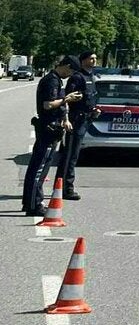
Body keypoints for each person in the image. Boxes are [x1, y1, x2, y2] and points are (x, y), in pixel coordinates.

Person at [22, 57, 83, 216]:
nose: (69, 76)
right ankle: (34, 204)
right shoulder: (51, 81)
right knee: (39, 168)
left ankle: (30, 201)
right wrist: (66, 99)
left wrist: (65, 117)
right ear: (67, 66)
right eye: (71, 72)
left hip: (53, 128)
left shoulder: (56, 80)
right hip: (48, 128)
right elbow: (48, 104)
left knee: (40, 167)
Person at [57, 50, 101, 200]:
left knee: (73, 155)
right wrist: (66, 118)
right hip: (76, 120)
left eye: (95, 58)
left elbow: (90, 98)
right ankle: (66, 188)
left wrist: (95, 109)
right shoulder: (77, 77)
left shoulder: (91, 77)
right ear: (83, 61)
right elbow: (66, 100)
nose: (94, 61)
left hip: (86, 119)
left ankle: (61, 186)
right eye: (91, 59)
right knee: (70, 155)